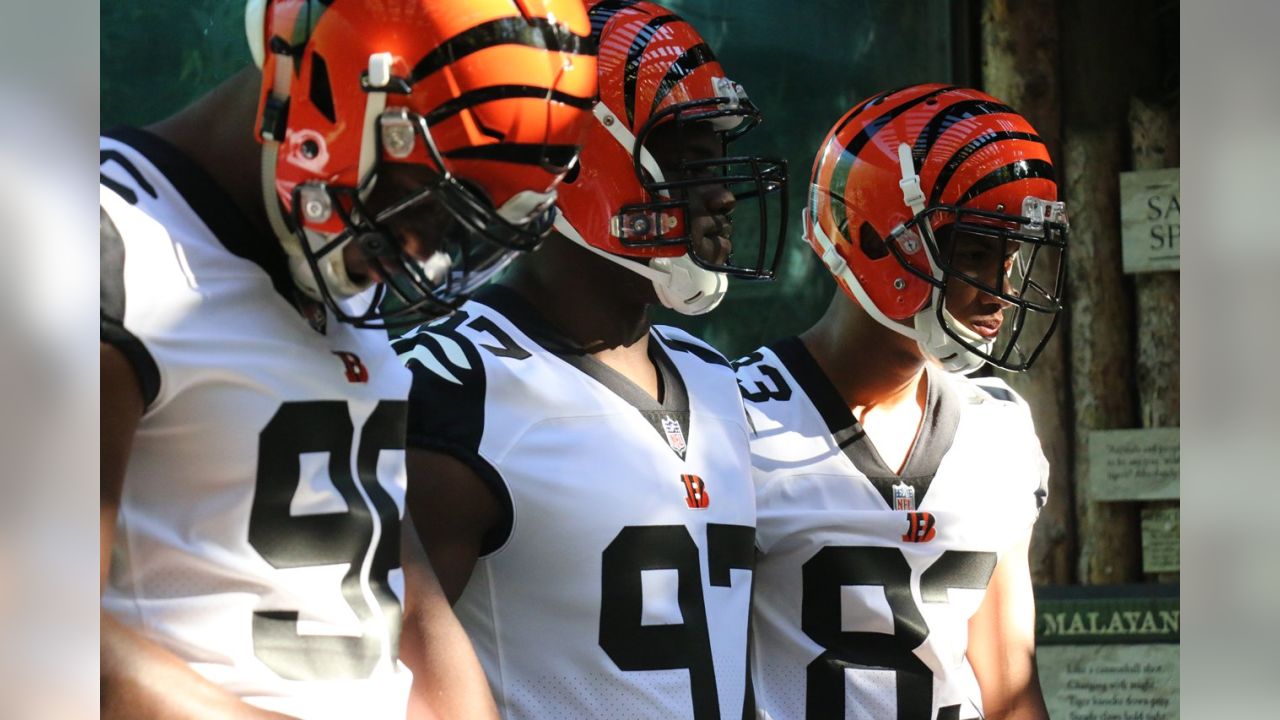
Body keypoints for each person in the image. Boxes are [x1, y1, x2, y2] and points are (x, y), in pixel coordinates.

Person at [100, 1, 596, 717]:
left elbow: (399, 591)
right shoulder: (106, 240)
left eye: (457, 229)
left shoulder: (331, 265)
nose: (419, 254)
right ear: (326, 95)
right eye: (413, 200)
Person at [394, 1, 787, 717]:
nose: (723, 192)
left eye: (716, 159)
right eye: (687, 160)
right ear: (581, 162)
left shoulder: (712, 378)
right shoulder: (463, 385)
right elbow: (385, 671)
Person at [737, 84, 1066, 720]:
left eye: (1012, 253)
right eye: (975, 251)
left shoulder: (998, 427)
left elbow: (1009, 684)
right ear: (877, 239)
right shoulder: (734, 417)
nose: (1001, 288)